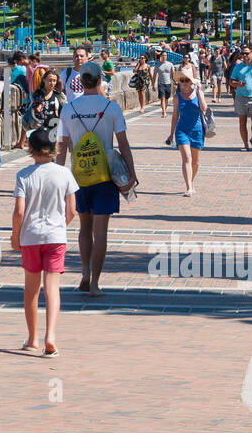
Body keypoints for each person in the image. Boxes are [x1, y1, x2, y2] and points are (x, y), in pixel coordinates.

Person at [56, 62, 137, 298]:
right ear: (101, 79)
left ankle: (83, 273)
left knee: (84, 228)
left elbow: (61, 147)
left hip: (78, 175)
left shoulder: (69, 108)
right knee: (100, 232)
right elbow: (122, 143)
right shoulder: (111, 108)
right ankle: (95, 283)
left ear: (81, 80)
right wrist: (132, 173)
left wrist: (59, 176)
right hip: (104, 176)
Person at [11, 127, 76, 357]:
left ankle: (32, 338)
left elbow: (19, 211)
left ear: (31, 149)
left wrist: (15, 235)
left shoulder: (24, 175)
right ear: (54, 149)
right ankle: (51, 336)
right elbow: (72, 210)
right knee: (52, 288)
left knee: (31, 289)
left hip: (31, 236)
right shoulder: (64, 173)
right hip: (56, 236)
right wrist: (60, 226)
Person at [166, 70, 208, 197]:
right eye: (182, 80)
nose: (184, 83)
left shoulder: (198, 93)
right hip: (182, 130)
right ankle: (189, 187)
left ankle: (191, 182)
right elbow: (174, 116)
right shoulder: (177, 97)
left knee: (195, 162)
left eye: (187, 80)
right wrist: (171, 134)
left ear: (192, 82)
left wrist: (200, 90)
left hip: (197, 130)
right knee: (187, 158)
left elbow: (204, 108)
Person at [230, 48, 252, 151]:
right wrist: (237, 84)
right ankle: (246, 145)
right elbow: (231, 81)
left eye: (247, 53)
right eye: (243, 53)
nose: (245, 55)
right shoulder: (238, 67)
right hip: (241, 97)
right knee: (242, 122)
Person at [154, 53, 175, 118]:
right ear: (160, 56)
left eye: (165, 55)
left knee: (166, 99)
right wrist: (153, 84)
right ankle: (164, 112)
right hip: (161, 83)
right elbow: (154, 75)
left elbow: (173, 74)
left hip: (168, 83)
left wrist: (176, 83)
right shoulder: (158, 65)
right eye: (163, 55)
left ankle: (164, 110)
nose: (164, 57)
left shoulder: (170, 64)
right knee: (162, 98)